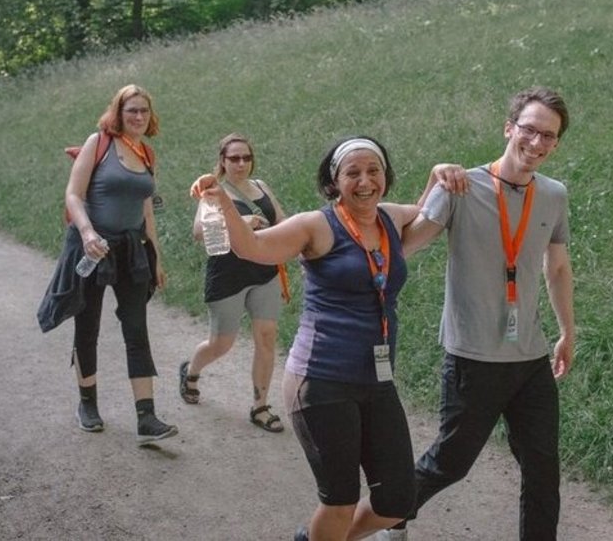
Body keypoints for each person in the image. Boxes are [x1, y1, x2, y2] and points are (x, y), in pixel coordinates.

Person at [189, 136, 465, 541]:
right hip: (321, 380)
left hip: (376, 380)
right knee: (339, 501)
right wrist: (222, 203)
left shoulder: (390, 217)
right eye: (352, 173)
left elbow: (426, 211)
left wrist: (437, 175)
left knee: (397, 499)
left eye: (373, 171)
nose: (365, 181)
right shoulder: (315, 225)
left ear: (385, 176)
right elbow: (253, 247)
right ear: (334, 181)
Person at [375, 86, 576, 540]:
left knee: (543, 469)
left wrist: (567, 331)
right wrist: (433, 182)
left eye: (549, 136)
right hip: (473, 358)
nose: (537, 143)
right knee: (450, 463)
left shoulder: (553, 194)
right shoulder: (461, 186)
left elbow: (558, 267)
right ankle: (389, 516)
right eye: (529, 130)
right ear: (509, 128)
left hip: (530, 358)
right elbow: (405, 246)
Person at [61, 84, 177, 446]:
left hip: (130, 251)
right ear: (118, 113)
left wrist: (155, 257)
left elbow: (147, 210)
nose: (139, 117)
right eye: (132, 111)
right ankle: (87, 404)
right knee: (88, 325)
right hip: (93, 249)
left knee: (136, 328)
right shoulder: (99, 143)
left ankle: (146, 416)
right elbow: (73, 194)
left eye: (144, 111)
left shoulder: (146, 152)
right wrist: (87, 233)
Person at [179, 132, 288, 433]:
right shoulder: (214, 192)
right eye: (234, 158)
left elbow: (281, 220)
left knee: (266, 337)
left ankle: (260, 406)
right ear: (223, 161)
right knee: (221, 344)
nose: (241, 164)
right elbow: (199, 232)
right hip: (228, 276)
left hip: (264, 271)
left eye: (246, 158)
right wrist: (241, 224)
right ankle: (191, 371)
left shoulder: (261, 187)